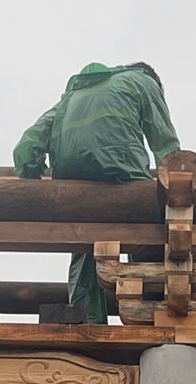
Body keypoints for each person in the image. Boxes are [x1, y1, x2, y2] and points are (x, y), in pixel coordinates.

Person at [13, 62, 180, 324]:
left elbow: (29, 141)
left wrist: (32, 173)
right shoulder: (143, 81)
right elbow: (163, 139)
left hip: (71, 179)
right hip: (121, 169)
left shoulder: (74, 94)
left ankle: (86, 320)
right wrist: (175, 181)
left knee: (85, 246)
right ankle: (151, 315)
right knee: (148, 233)